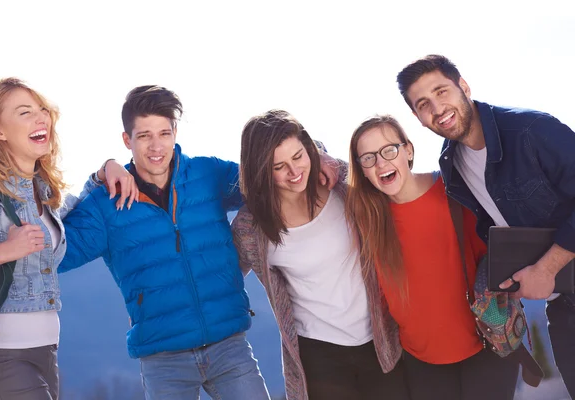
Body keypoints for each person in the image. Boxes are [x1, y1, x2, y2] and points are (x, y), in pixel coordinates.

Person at [58, 86, 334, 400]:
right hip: (163, 361)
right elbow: (55, 251)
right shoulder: (107, 203)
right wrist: (96, 178)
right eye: (144, 135)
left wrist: (319, 155)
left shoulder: (207, 173)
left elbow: (266, 174)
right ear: (127, 140)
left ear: (175, 131)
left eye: (164, 133)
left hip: (229, 347)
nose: (156, 146)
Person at [397, 54, 575, 397]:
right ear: (417, 118)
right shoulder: (451, 165)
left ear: (464, 86)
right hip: (562, 307)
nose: (437, 108)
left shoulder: (531, 130)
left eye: (442, 91)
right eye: (424, 104)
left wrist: (546, 267)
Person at [0, 78, 135, 400]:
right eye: (25, 113)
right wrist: (5, 250)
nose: (41, 118)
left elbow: (67, 211)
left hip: (45, 354)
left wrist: (104, 170)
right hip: (1, 357)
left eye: (42, 110)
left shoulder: (41, 189)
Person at [232, 110, 409, 400]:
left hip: (379, 342)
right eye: (279, 167)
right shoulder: (251, 226)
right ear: (261, 170)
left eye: (299, 157)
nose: (294, 172)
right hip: (317, 354)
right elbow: (224, 276)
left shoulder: (343, 186)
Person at [346, 114, 520, 400]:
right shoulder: (365, 218)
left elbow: (497, 254)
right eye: (368, 158)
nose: (381, 163)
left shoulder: (454, 191)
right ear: (362, 169)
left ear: (408, 150)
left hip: (486, 344)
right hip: (421, 361)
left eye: (389, 150)